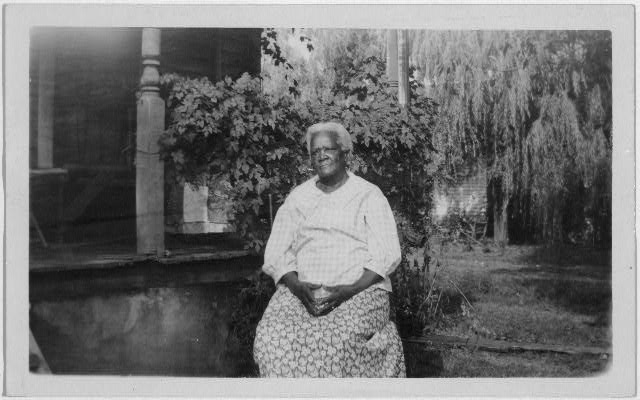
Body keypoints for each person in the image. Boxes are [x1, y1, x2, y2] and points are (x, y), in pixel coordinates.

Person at [253, 121, 406, 378]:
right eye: (315, 151)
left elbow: (387, 253)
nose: (321, 155)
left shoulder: (368, 195)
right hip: (304, 292)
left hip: (359, 291)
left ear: (344, 153)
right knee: (271, 339)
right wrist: (296, 286)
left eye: (328, 149)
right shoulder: (298, 198)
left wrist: (350, 289)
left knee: (335, 345)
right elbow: (277, 253)